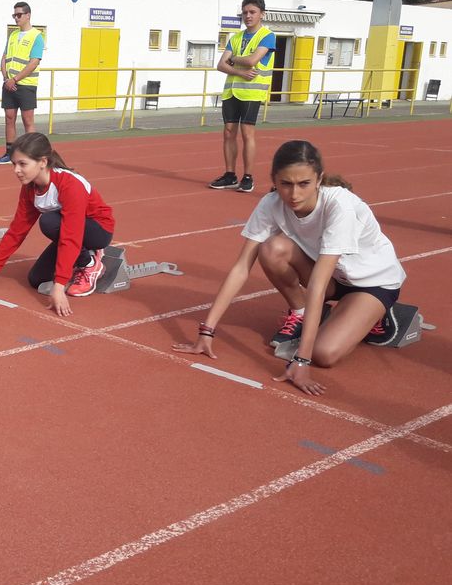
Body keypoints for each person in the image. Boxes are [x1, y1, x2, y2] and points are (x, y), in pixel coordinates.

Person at [174, 140, 406, 396]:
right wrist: (207, 332)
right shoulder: (270, 203)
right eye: (286, 184)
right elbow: (242, 267)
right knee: (272, 248)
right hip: (331, 277)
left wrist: (301, 362)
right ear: (274, 180)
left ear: (319, 179)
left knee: (324, 354)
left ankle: (379, 315)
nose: (294, 194)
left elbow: (317, 285)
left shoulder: (339, 206)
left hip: (371, 282)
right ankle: (302, 311)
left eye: (304, 184)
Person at [0, 132, 115, 316]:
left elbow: (71, 236)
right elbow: (17, 231)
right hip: (68, 229)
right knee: (36, 279)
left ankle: (90, 262)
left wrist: (59, 286)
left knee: (49, 221)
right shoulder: (30, 188)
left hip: (98, 230)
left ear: (43, 162)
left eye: (23, 164)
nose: (16, 170)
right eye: (14, 164)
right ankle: (82, 257)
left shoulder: (69, 185)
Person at [210, 0, 276, 193]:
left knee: (247, 134)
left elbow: (252, 61)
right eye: (245, 12)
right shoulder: (236, 37)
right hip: (232, 91)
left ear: (262, 14)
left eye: (252, 12)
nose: (248, 16)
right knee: (228, 132)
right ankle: (230, 175)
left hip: (251, 93)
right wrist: (238, 69)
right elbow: (221, 65)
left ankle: (248, 177)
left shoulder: (267, 35)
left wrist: (233, 59)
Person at [0, 2, 44, 165]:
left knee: (28, 120)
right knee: (9, 118)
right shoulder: (13, 36)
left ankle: (33, 154)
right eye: (14, 15)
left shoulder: (37, 36)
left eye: (19, 15)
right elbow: (4, 58)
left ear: (28, 15)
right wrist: (6, 79)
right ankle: (9, 153)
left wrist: (14, 79)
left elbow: (33, 63)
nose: (16, 18)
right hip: (9, 84)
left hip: (26, 84)